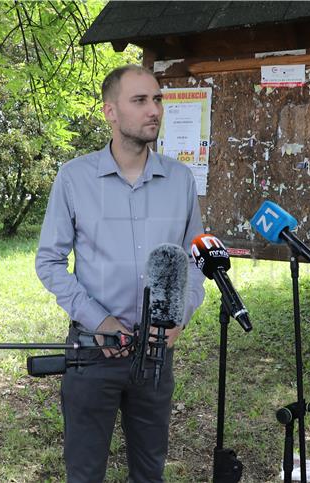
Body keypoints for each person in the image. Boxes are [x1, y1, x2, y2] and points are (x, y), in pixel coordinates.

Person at [35, 65, 205, 482]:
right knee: (85, 471)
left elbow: (195, 260)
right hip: (93, 352)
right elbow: (49, 262)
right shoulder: (74, 178)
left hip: (155, 355)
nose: (155, 110)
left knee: (150, 471)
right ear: (110, 112)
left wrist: (177, 318)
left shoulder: (180, 180)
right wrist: (98, 320)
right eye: (141, 100)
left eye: (158, 99)